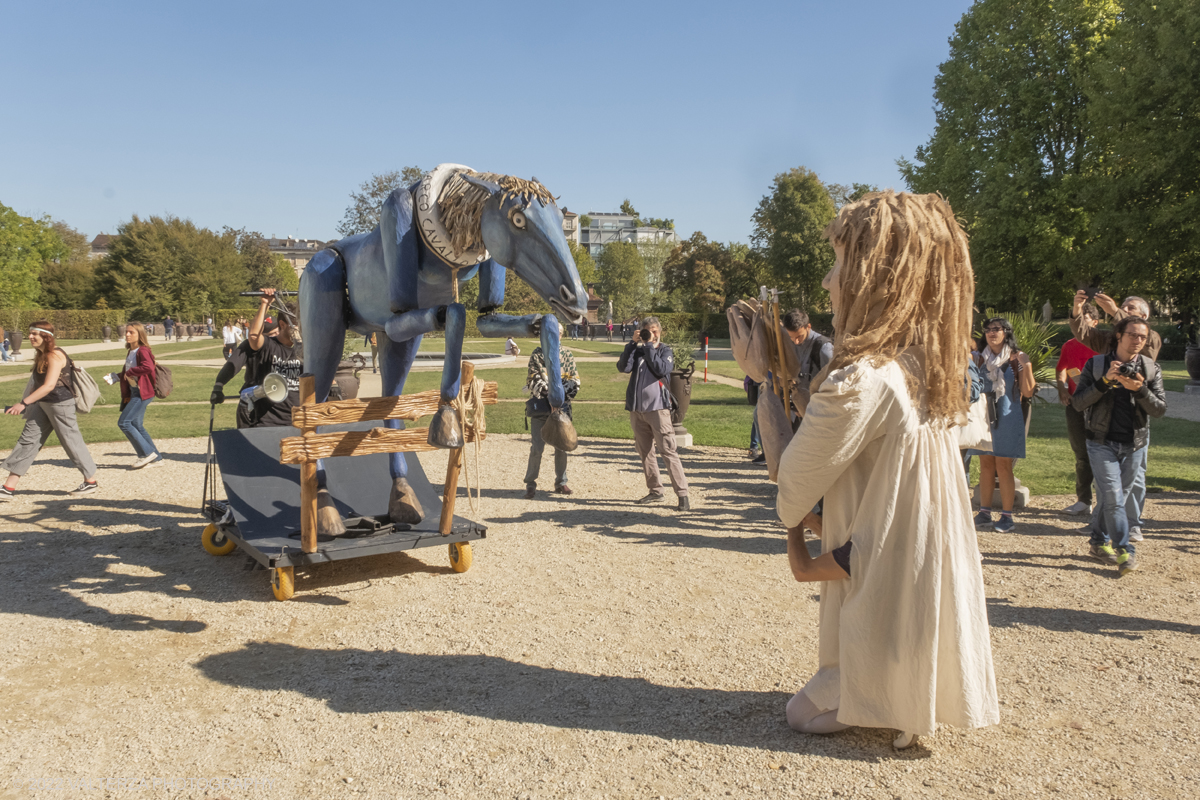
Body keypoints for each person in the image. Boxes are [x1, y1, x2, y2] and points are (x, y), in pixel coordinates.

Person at [776, 190, 997, 748]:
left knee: (800, 714)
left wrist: (790, 404)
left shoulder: (867, 378)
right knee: (910, 621)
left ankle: (872, 699)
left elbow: (793, 484)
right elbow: (973, 427)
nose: (828, 281)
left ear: (877, 278)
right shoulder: (930, 366)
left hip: (879, 549)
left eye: (839, 264)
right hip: (922, 541)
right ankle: (909, 697)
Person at [1072, 316, 1166, 576]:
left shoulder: (1149, 369)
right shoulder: (1097, 364)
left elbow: (1159, 410)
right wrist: (1104, 383)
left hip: (1134, 444)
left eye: (1142, 337)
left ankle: (1098, 541)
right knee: (1113, 497)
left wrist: (1140, 389)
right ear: (1118, 336)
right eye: (1132, 335)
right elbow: (1078, 403)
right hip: (1100, 441)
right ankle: (1125, 551)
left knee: (1117, 497)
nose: (1137, 341)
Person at [0, 321, 99, 498]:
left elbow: (49, 385)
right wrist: (29, 402)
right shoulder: (41, 354)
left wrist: (23, 403)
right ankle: (8, 487)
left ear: (46, 336)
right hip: (42, 403)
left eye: (34, 334)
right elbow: (38, 383)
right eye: (29, 333)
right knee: (28, 440)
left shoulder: (54, 355)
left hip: (59, 404)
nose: (30, 337)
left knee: (70, 440)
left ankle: (90, 480)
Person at [968, 317, 1036, 532]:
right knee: (986, 465)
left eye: (996, 329)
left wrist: (1027, 366)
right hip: (983, 416)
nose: (991, 333)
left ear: (1006, 332)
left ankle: (1007, 516)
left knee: (1003, 466)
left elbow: (1027, 392)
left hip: (1007, 415)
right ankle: (984, 512)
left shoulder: (1016, 358)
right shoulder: (978, 358)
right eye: (988, 329)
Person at [618, 316, 690, 511]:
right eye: (647, 331)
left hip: (658, 409)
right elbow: (623, 367)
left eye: (655, 331)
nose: (652, 334)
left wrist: (649, 345)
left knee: (668, 450)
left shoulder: (665, 350)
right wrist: (632, 345)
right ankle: (655, 490)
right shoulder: (638, 351)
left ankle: (682, 494)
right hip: (637, 410)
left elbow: (661, 368)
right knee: (645, 452)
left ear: (660, 332)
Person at [212, 290, 303, 428]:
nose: (300, 329)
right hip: (267, 421)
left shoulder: (307, 349)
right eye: (296, 325)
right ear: (283, 325)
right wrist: (265, 303)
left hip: (299, 419)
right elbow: (253, 336)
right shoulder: (267, 345)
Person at [1056, 303, 1100, 515]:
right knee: (1081, 454)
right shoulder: (1069, 345)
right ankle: (1084, 501)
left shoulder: (1104, 345)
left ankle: (1106, 503)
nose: (1080, 322)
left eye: (1085, 318)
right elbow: (1061, 370)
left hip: (1102, 406)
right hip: (1075, 405)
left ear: (1095, 322)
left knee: (1103, 452)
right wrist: (1063, 389)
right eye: (1078, 318)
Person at [523, 344, 580, 498]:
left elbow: (574, 379)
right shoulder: (537, 354)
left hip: (561, 408)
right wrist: (550, 396)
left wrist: (559, 397)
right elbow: (533, 378)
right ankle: (530, 483)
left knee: (562, 445)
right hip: (541, 407)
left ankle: (561, 482)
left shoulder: (566, 354)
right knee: (537, 448)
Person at [115, 322, 163, 468]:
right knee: (136, 424)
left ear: (140, 334)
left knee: (124, 423)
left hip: (142, 393)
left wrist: (129, 373)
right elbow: (131, 371)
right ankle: (157, 458)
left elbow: (147, 367)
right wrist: (117, 376)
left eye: (131, 332)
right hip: (136, 391)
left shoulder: (142, 350)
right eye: (127, 332)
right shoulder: (131, 351)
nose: (127, 335)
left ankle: (147, 454)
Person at [1069, 291, 1161, 361]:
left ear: (1143, 316)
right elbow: (1082, 332)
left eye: (1131, 308)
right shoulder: (1110, 338)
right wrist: (1077, 308)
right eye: (1122, 307)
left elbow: (1137, 330)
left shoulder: (1152, 337)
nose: (1124, 309)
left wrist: (1115, 311)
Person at [782, 308, 833, 420]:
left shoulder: (824, 348)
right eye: (791, 337)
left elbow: (834, 384)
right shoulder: (790, 345)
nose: (796, 341)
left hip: (818, 414)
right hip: (796, 411)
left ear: (808, 326)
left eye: (799, 336)